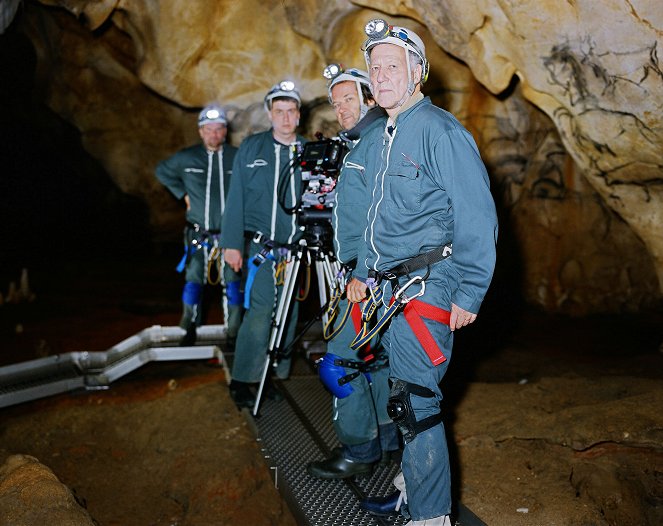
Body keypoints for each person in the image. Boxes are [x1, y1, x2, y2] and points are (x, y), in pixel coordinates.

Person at [347, 20, 498, 525]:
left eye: (393, 65)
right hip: (390, 292)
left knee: (417, 405)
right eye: (375, 66)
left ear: (418, 73)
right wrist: (366, 275)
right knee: (403, 398)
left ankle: (430, 517)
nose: (382, 74)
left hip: (426, 289)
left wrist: (470, 293)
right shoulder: (386, 133)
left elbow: (477, 214)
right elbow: (375, 220)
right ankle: (412, 492)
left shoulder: (439, 130)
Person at [306, 65, 400, 479]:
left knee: (339, 362)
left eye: (349, 98)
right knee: (374, 359)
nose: (341, 108)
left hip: (371, 277)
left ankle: (359, 452)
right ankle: (387, 440)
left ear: (370, 98)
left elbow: (386, 216)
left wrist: (362, 272)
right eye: (336, 101)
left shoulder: (378, 141)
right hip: (376, 275)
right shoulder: (362, 143)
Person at [221, 81, 307, 409]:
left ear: (298, 116)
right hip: (262, 251)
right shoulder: (252, 148)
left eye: (291, 111)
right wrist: (231, 244)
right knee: (260, 314)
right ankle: (243, 379)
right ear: (271, 114)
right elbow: (237, 197)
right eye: (279, 111)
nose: (285, 118)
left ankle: (270, 377)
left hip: (296, 253)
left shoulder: (306, 151)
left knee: (288, 315)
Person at [156, 103, 242, 347]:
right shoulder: (187, 157)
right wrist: (180, 192)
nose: (214, 134)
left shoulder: (236, 158)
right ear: (200, 131)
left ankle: (233, 332)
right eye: (209, 129)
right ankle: (189, 327)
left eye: (219, 129)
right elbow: (162, 170)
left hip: (229, 236)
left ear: (225, 131)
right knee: (194, 282)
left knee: (233, 284)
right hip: (198, 234)